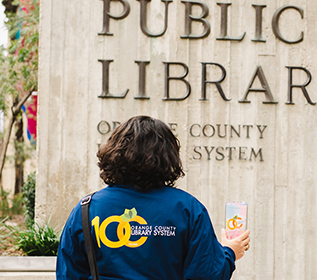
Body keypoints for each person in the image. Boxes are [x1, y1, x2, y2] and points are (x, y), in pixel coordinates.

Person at [56, 115, 251, 279]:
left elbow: (68, 275)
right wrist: (229, 252)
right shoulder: (188, 209)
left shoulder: (86, 209)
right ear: (169, 156)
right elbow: (206, 275)